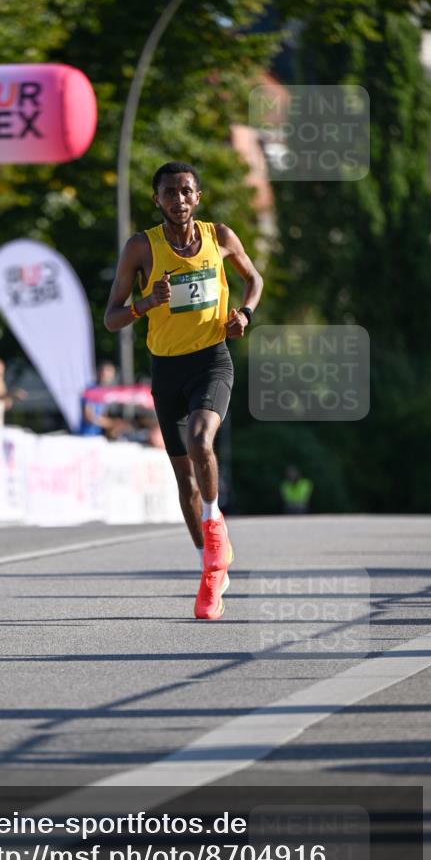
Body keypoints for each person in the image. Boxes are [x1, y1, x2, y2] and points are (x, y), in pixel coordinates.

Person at [104, 161, 263, 620]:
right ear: (157, 199)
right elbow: (111, 317)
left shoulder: (220, 237)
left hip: (212, 360)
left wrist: (244, 316)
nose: (179, 199)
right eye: (169, 192)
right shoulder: (141, 247)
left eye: (187, 191)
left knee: (200, 440)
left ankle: (216, 531)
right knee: (184, 480)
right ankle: (210, 569)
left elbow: (254, 281)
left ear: (199, 196)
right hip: (166, 371)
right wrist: (145, 304)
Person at [79, 361, 131, 440]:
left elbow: (102, 417)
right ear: (99, 373)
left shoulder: (105, 393)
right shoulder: (90, 390)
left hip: (97, 437)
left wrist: (114, 427)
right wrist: (112, 423)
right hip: (86, 437)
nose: (106, 376)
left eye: (109, 373)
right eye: (104, 372)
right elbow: (89, 417)